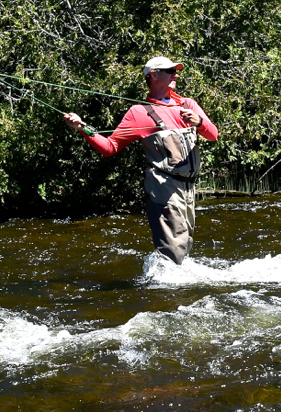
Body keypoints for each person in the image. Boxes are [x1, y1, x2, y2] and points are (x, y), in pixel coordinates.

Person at [63, 56, 218, 264]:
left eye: (175, 70)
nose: (176, 74)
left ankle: (168, 287)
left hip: (189, 188)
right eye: (170, 71)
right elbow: (110, 147)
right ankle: (168, 293)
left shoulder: (188, 105)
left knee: (184, 247)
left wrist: (199, 122)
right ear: (153, 75)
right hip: (163, 186)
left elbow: (213, 134)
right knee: (174, 251)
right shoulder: (139, 113)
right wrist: (83, 128)